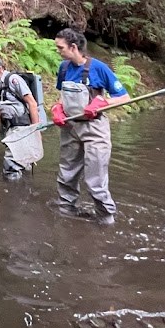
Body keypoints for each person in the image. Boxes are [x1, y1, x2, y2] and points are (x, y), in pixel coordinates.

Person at [50, 27, 129, 226]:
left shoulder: (99, 68)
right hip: (70, 127)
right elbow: (62, 95)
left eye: (60, 48)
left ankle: (105, 217)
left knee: (95, 177)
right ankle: (66, 209)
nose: (58, 51)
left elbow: (125, 98)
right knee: (67, 172)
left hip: (95, 129)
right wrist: (58, 109)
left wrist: (102, 103)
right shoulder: (64, 68)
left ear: (74, 47)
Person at [0, 56, 41, 180]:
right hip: (7, 127)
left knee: (11, 165)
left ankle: (12, 194)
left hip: (21, 126)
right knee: (21, 160)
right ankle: (25, 191)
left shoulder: (14, 80)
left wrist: (35, 129)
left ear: (0, 68)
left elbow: (32, 103)